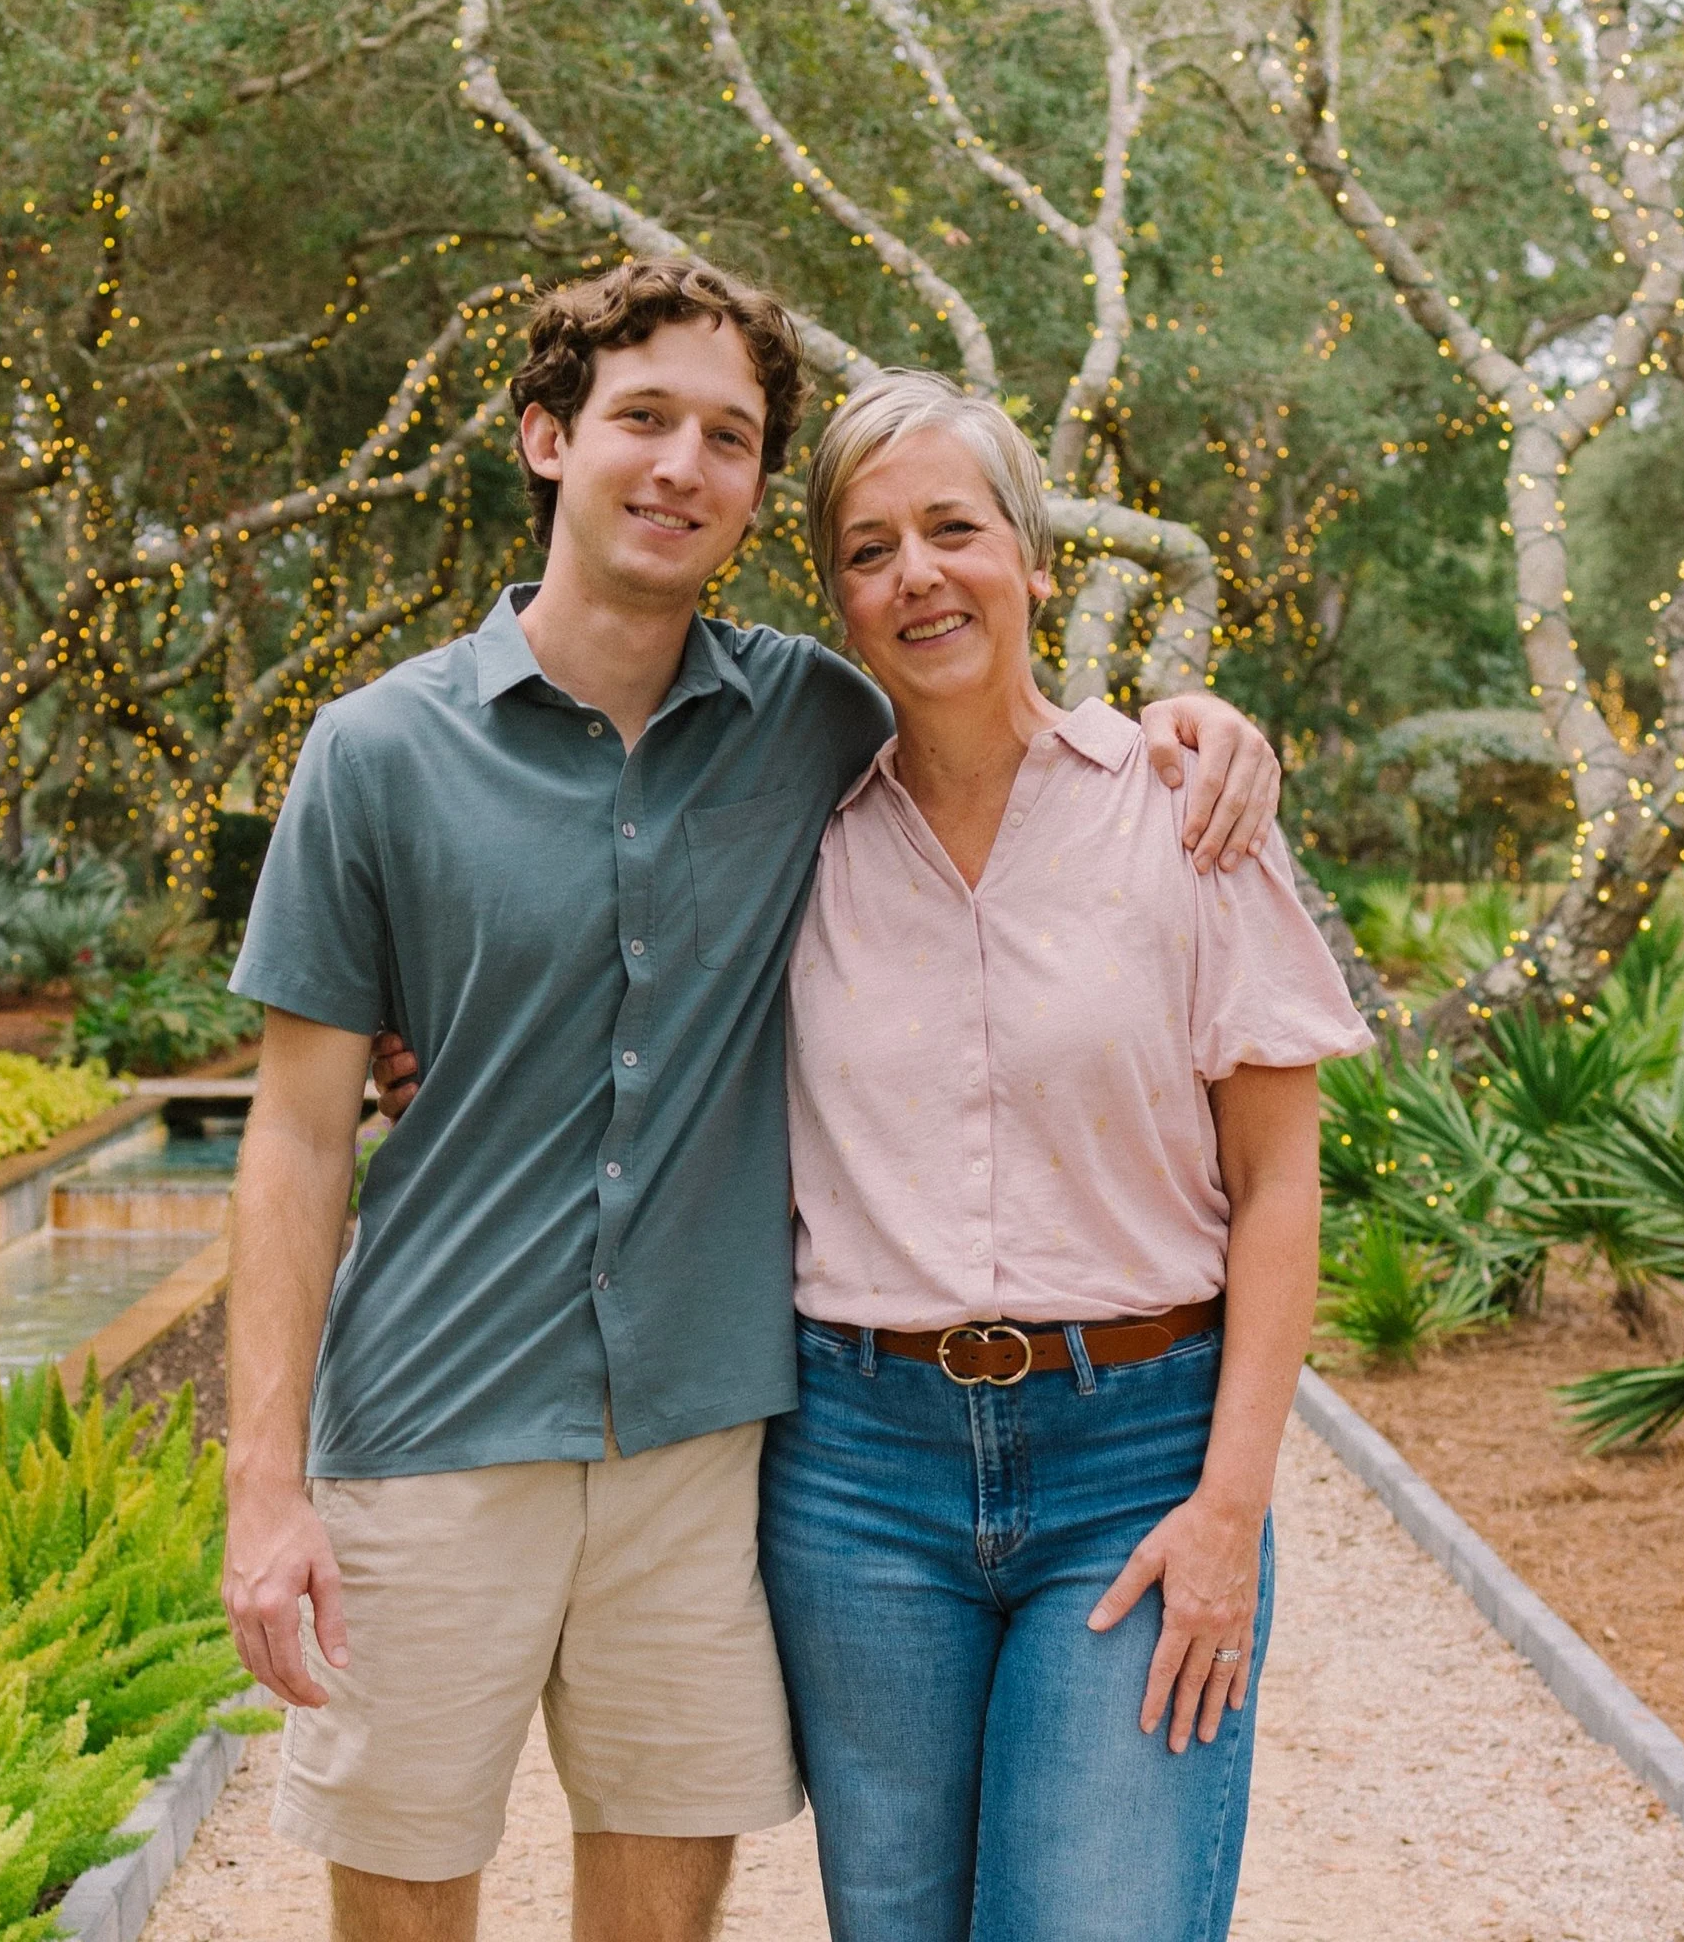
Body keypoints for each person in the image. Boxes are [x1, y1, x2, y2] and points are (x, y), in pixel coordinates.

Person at [217, 260, 1283, 1942]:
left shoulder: (814, 720)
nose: (682, 466)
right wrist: (260, 1486)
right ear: (546, 436)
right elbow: (291, 1133)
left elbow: (1001, 723)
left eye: (729, 436)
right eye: (643, 417)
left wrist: (1199, 727)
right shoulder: (375, 753)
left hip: (704, 1447)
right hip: (426, 1428)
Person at [756, 369, 1374, 1942]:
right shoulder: (792, 835)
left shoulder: (1185, 811)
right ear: (836, 595)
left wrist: (1230, 1509)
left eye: (954, 528)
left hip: (1136, 1462)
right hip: (856, 1474)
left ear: (1035, 560)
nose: (917, 575)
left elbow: (1280, 1189)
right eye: (869, 547)